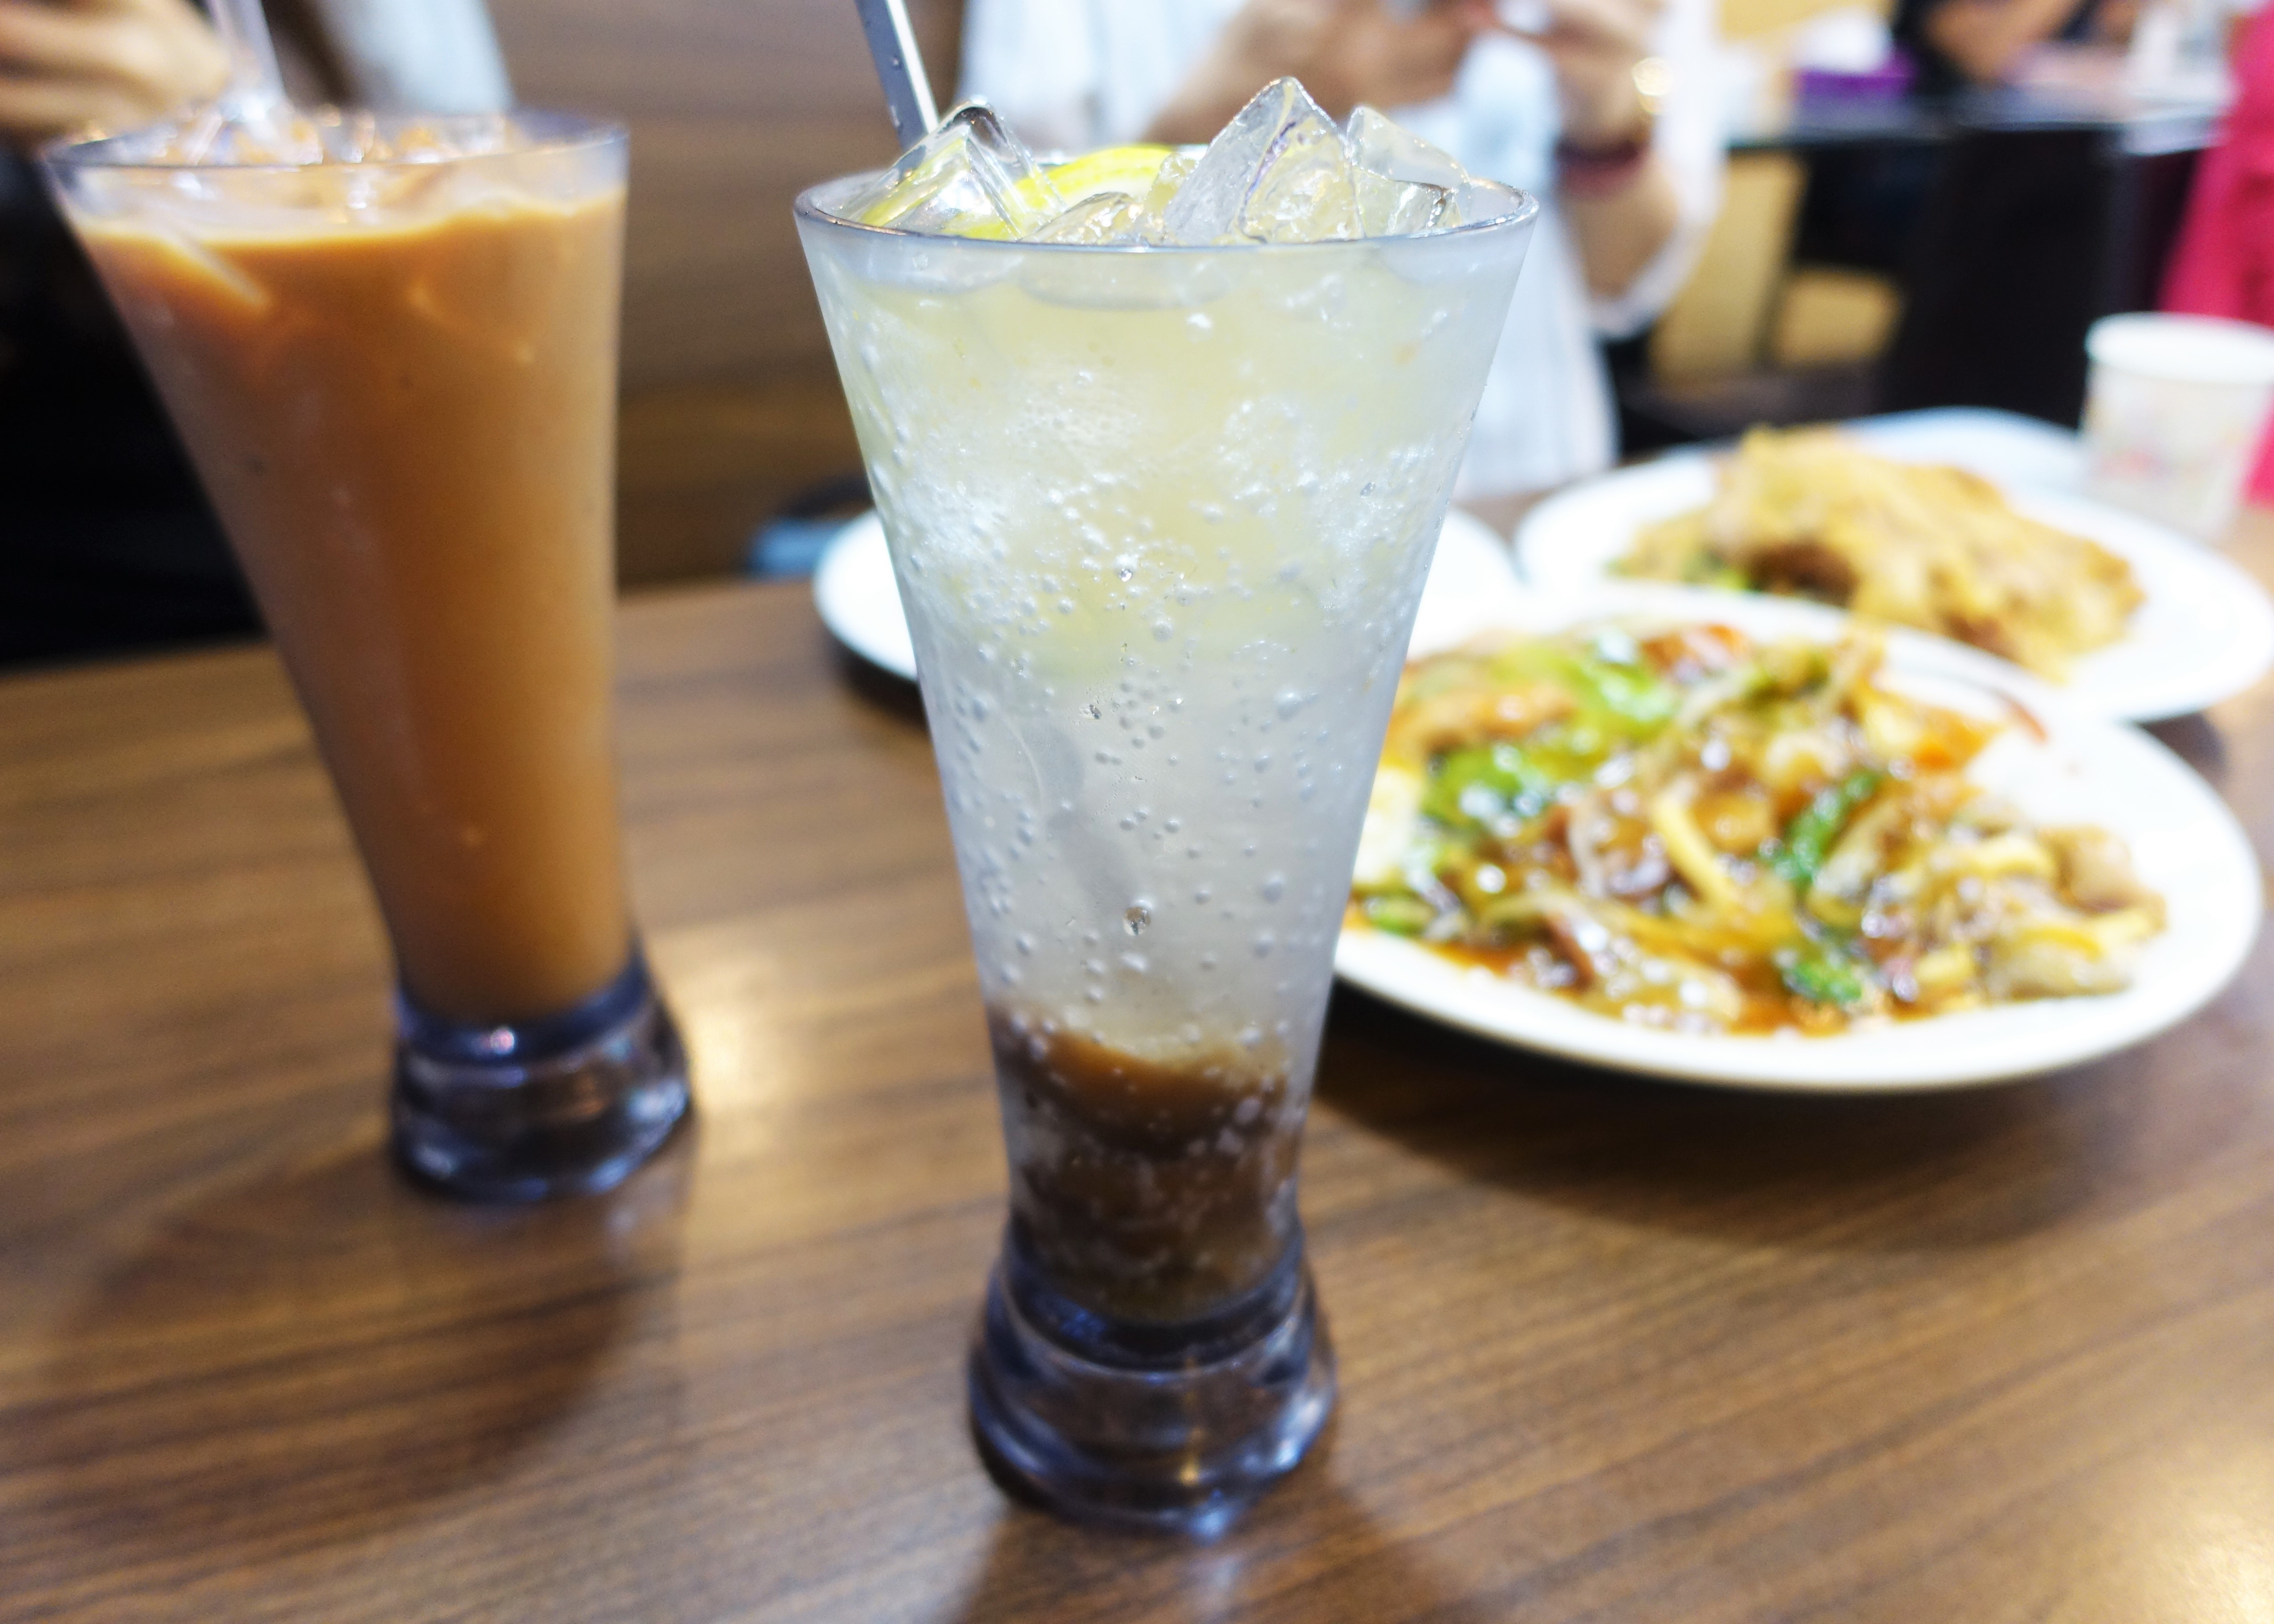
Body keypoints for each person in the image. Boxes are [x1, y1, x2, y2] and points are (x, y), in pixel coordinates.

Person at [961, 0, 1725, 501]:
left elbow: (1625, 285)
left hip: (1531, 490)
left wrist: (1606, 120)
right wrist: (1225, 108)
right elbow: (1005, 285)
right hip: (1206, 515)